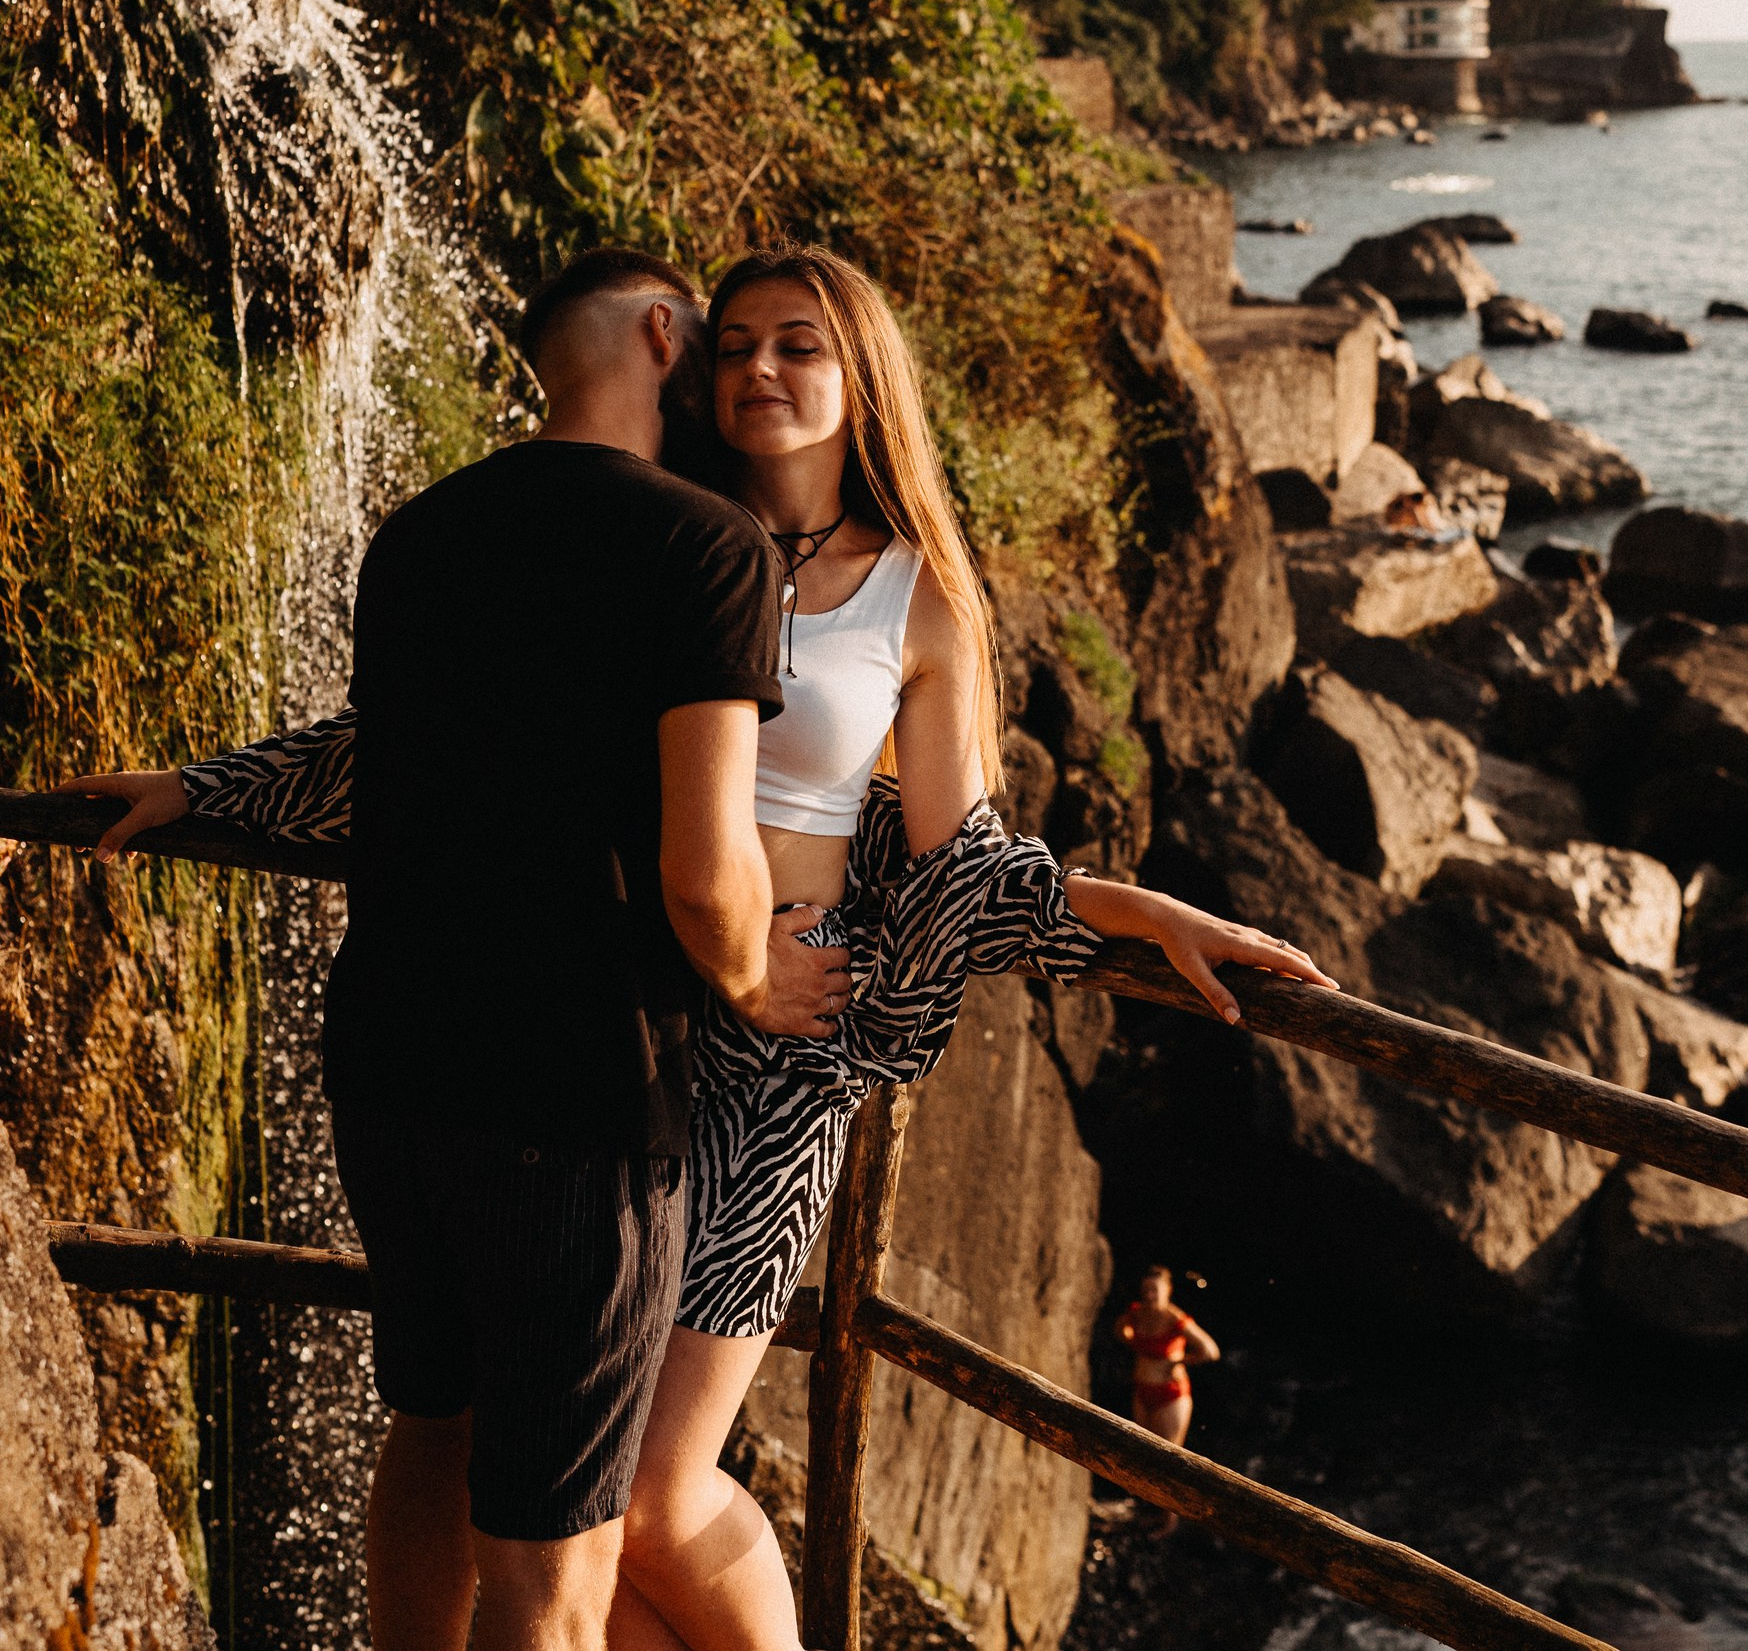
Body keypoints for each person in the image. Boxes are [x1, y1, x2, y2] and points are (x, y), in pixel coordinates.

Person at [71, 244, 1330, 1651]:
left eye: (799, 346)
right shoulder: (665, 532)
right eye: (733, 347)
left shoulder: (918, 595)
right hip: (632, 1022)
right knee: (568, 1488)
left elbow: (958, 848)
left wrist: (1141, 911)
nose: (759, 372)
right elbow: (459, 742)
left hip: (778, 1061)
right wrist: (213, 787)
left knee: (657, 1497)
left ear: (863, 377)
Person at [64, 248, 814, 1651]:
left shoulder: (418, 532)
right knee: (554, 1565)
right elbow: (711, 874)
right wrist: (760, 980)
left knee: (430, 1422)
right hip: (575, 1084)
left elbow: (393, 758)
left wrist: (204, 787)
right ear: (663, 334)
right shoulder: (708, 548)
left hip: (390, 1063)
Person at [1116, 1264, 1219, 1449]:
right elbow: (1120, 1331)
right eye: (1146, 1290)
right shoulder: (1137, 1313)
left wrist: (1177, 1361)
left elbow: (1210, 1351)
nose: (1149, 1295)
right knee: (1140, 1451)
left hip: (1170, 1396)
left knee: (1167, 1454)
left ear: (1167, 1290)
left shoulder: (1175, 1319)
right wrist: (1133, 1342)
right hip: (1142, 1391)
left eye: (1154, 1290)